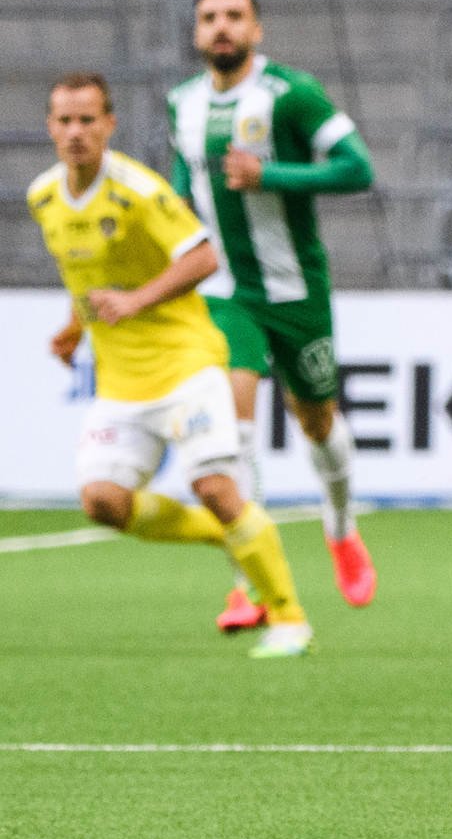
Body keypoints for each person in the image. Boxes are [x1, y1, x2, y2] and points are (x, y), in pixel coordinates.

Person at [29, 73, 314, 658]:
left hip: (187, 364)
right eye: (64, 121)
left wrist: (134, 301)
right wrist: (74, 326)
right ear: (50, 127)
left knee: (213, 484)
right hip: (121, 381)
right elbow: (85, 275)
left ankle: (289, 617)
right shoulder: (45, 197)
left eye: (88, 120)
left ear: (109, 125)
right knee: (102, 502)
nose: (76, 132)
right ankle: (227, 534)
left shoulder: (138, 190)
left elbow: (204, 255)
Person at [167, 0, 378, 630]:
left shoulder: (291, 94)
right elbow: (182, 195)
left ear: (256, 30)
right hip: (227, 292)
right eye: (210, 18)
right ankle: (249, 584)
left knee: (318, 423)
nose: (222, 27)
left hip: (296, 290)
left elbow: (357, 168)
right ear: (197, 32)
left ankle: (340, 527)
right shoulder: (183, 104)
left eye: (234, 16)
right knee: (234, 430)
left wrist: (270, 175)